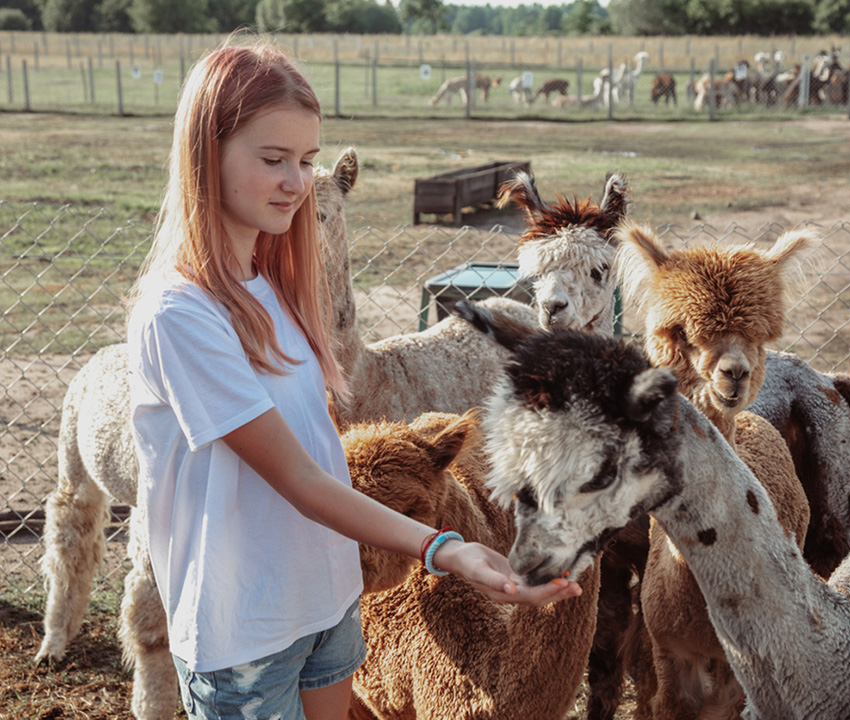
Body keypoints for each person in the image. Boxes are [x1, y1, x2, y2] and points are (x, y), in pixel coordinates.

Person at [126, 38, 581, 720]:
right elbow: (304, 479)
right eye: (273, 159)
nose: (298, 182)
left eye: (307, 161)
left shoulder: (273, 287)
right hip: (245, 630)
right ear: (205, 154)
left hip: (325, 602)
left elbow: (318, 456)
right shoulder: (182, 315)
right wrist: (447, 551)